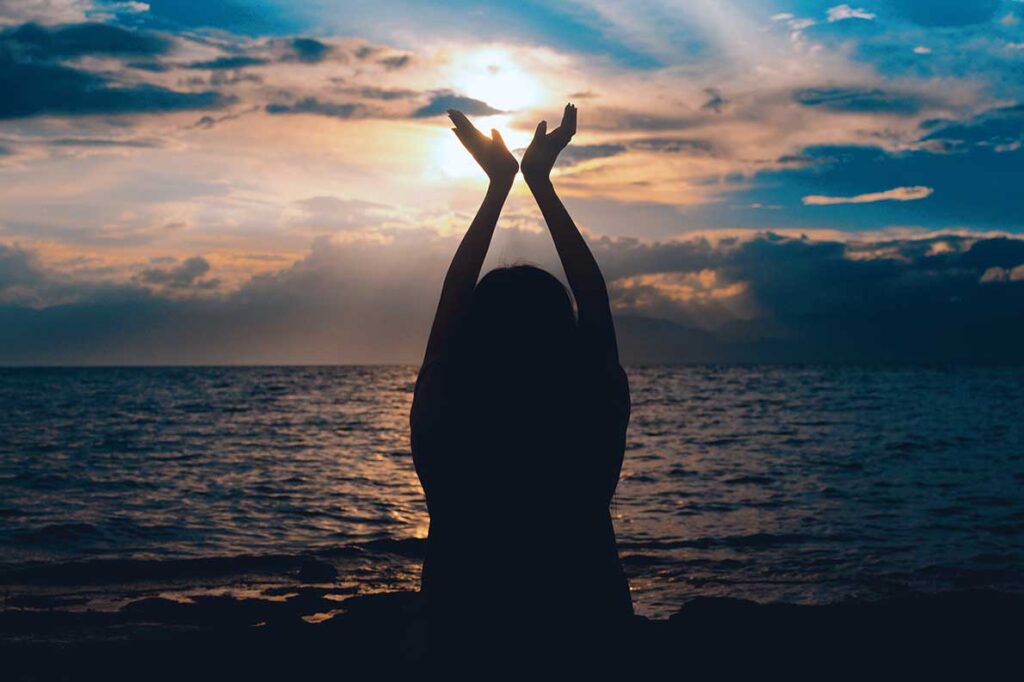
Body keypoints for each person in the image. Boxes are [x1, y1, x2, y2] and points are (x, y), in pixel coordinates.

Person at [409, 104, 632, 656]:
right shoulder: (589, 408)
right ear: (565, 335)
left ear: (472, 336)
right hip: (586, 626)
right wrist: (539, 183)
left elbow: (451, 304)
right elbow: (596, 302)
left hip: (463, 629)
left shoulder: (447, 410)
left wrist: (499, 188)